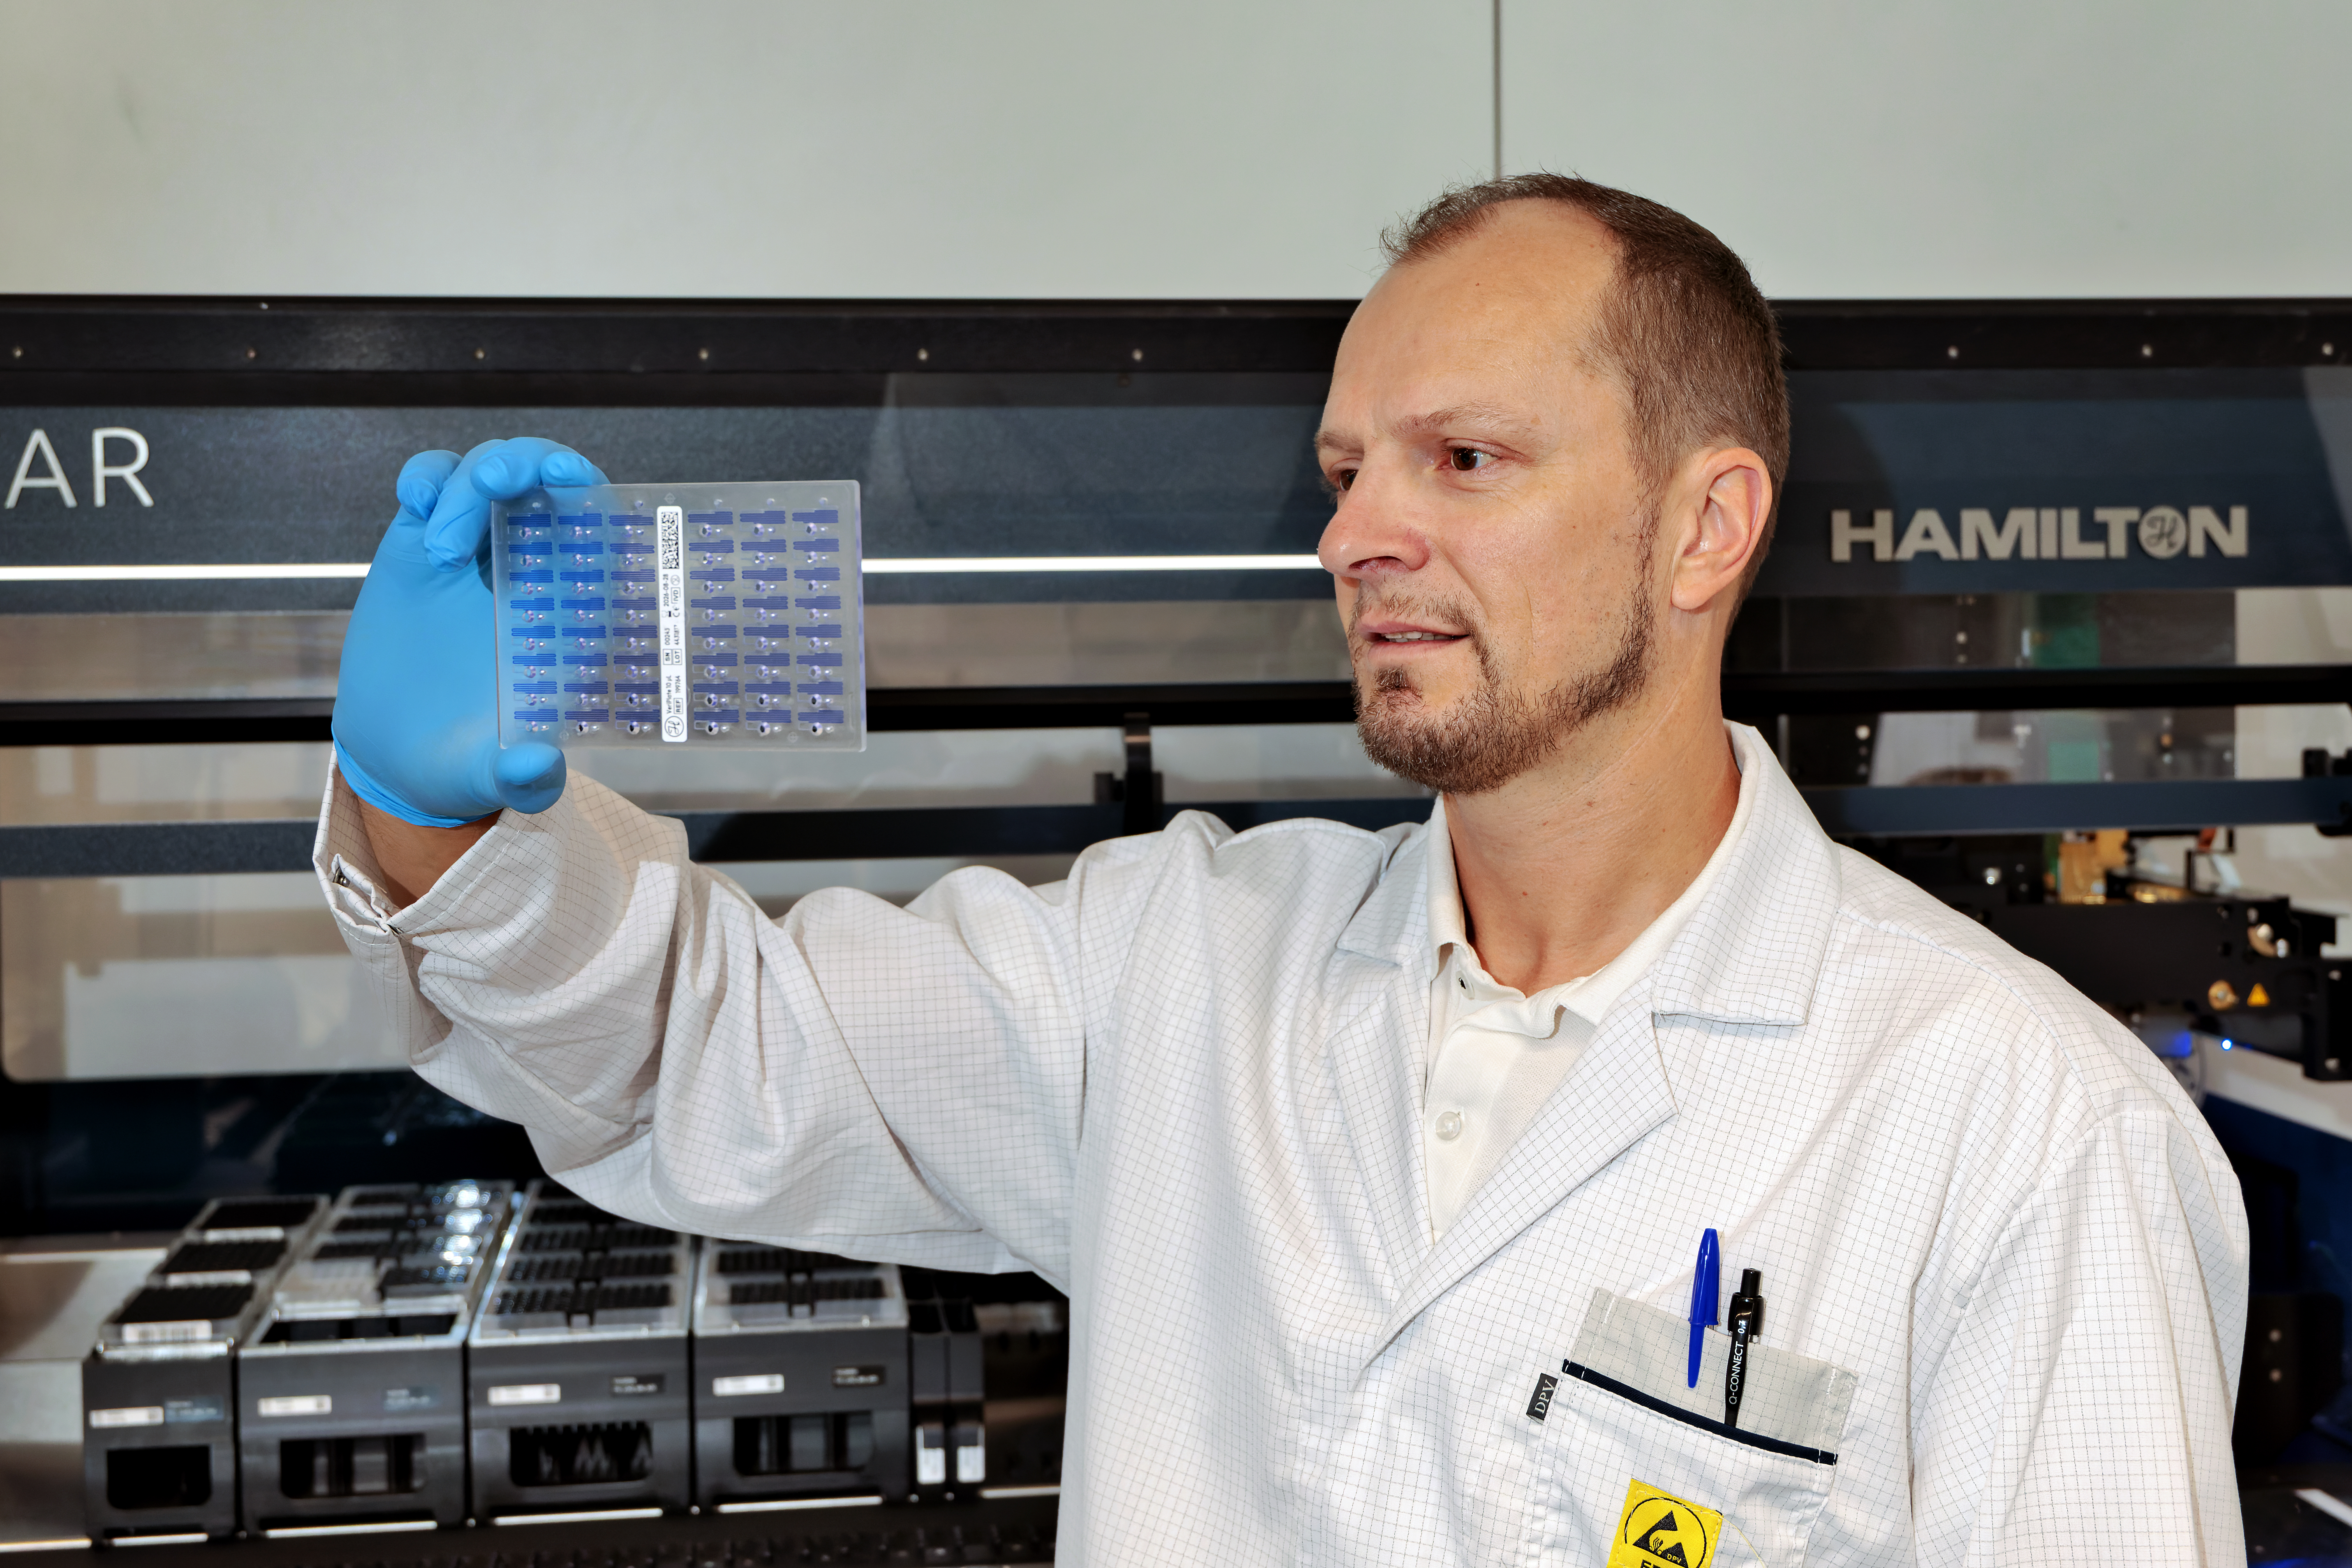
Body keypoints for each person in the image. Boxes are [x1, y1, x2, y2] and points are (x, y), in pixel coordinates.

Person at [318, 176, 2246, 1565]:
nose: (1361, 536)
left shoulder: (2017, 1134)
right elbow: (696, 1048)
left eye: (1464, 460)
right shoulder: (1180, 970)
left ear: (1703, 525)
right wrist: (438, 809)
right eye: (1343, 471)